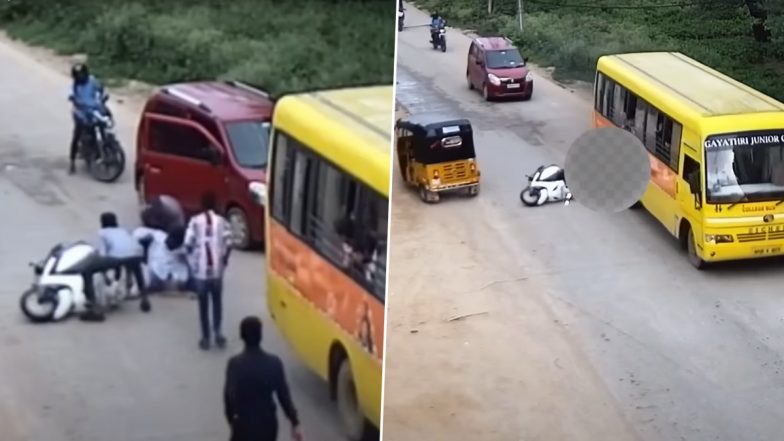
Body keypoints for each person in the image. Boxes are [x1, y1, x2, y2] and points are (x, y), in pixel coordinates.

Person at [224, 316, 303, 441]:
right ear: (261, 336)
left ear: (241, 336)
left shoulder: (234, 364)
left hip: (243, 425)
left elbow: (229, 397)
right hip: (267, 424)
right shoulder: (274, 363)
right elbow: (284, 396)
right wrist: (295, 422)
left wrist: (232, 419)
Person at [184, 192, 233, 350]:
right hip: (217, 270)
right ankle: (218, 333)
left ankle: (206, 338)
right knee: (217, 302)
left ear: (202, 204)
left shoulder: (194, 222)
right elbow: (229, 242)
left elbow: (188, 243)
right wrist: (224, 259)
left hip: (201, 272)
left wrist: (192, 261)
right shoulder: (221, 221)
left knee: (203, 305)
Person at [97, 212, 151, 313]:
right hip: (136, 254)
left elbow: (103, 253)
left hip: (118, 256)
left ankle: (111, 291)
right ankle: (144, 297)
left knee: (107, 265)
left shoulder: (102, 232)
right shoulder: (122, 230)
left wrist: (104, 270)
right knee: (136, 269)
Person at [68, 63, 107, 175]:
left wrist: (102, 98)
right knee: (76, 136)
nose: (80, 77)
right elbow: (71, 96)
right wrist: (76, 102)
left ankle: (106, 146)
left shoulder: (92, 81)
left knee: (104, 126)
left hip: (94, 111)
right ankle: (72, 162)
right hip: (81, 114)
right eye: (78, 75)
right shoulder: (74, 86)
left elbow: (101, 89)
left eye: (82, 74)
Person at [133, 224, 190, 294]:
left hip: (170, 277)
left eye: (174, 241)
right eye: (170, 238)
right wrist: (144, 239)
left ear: (180, 243)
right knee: (143, 279)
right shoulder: (159, 236)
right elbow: (137, 233)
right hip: (152, 271)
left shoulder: (184, 250)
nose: (170, 241)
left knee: (177, 284)